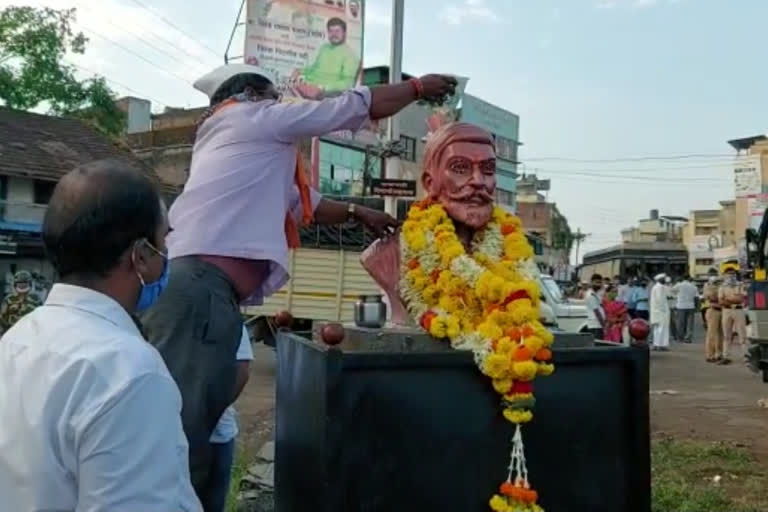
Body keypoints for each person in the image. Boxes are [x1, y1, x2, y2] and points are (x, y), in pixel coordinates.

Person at [139, 63, 458, 502]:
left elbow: (300, 204)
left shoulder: (240, 141)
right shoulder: (251, 118)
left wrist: (359, 213)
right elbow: (343, 108)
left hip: (203, 290)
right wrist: (418, 88)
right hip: (200, 291)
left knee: (191, 426)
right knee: (179, 433)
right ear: (255, 95)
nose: (281, 104)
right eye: (274, 97)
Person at [0, 160, 200, 511]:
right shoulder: (129, 372)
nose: (167, 257)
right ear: (140, 255)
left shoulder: (17, 340)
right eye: (163, 240)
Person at [205, 326, 253, 512]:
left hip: (213, 434)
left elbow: (241, 371)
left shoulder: (227, 317)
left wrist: (207, 416)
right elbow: (241, 370)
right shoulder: (226, 314)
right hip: (213, 431)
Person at [293, 17, 361, 99]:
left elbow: (347, 83)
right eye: (331, 31)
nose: (334, 34)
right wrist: (300, 71)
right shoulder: (324, 48)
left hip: (325, 94)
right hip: (308, 87)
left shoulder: (350, 55)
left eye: (337, 31)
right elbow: (315, 68)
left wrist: (322, 88)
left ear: (344, 33)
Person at [718, 265, 746, 365]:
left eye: (733, 274)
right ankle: (726, 357)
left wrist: (728, 299)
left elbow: (741, 299)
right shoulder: (722, 286)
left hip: (738, 311)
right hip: (727, 311)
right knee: (726, 335)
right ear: (725, 275)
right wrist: (734, 299)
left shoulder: (740, 285)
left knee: (742, 335)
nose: (731, 276)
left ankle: (746, 357)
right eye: (729, 274)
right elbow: (721, 301)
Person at [702, 268, 723, 363]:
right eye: (711, 274)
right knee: (711, 334)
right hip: (712, 310)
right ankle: (710, 355)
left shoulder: (721, 284)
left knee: (720, 334)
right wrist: (713, 287)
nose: (713, 276)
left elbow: (724, 296)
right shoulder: (707, 285)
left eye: (714, 274)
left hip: (722, 310)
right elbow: (710, 296)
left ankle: (719, 354)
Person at [673, 275, 698, 344]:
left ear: (683, 278)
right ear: (689, 278)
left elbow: (672, 291)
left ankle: (680, 337)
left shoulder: (679, 285)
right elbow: (696, 297)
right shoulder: (693, 286)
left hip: (681, 306)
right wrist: (696, 307)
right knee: (690, 323)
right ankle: (688, 338)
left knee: (681, 323)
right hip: (690, 306)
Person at [650, 273, 671, 351]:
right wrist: (664, 310)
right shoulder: (660, 287)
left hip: (657, 312)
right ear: (660, 279)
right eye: (664, 278)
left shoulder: (657, 287)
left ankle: (656, 344)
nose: (665, 280)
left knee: (657, 329)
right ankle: (661, 345)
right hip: (661, 312)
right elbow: (660, 300)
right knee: (662, 328)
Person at [584, 273, 606, 340]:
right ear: (591, 282)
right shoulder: (591, 295)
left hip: (597, 325)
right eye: (596, 282)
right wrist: (604, 326)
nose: (598, 284)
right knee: (597, 346)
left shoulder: (596, 293)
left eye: (600, 282)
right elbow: (597, 312)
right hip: (595, 325)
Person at [665, 275, 678, 342]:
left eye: (668, 282)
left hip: (672, 307)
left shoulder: (673, 287)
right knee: (666, 322)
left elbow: (676, 296)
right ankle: (668, 336)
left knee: (673, 322)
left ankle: (675, 336)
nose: (668, 283)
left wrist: (672, 297)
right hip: (666, 307)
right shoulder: (663, 287)